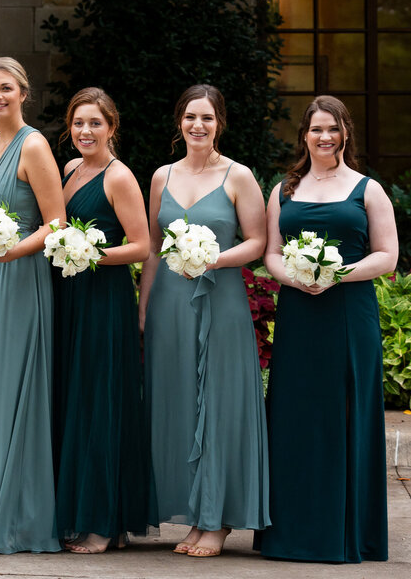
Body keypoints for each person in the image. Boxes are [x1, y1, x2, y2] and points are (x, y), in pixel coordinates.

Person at [256, 96, 397, 563]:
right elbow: (271, 253)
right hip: (299, 316)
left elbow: (387, 256)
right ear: (305, 135)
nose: (324, 137)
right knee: (296, 416)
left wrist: (336, 274)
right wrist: (295, 276)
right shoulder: (284, 191)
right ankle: (291, 533)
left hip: (348, 317)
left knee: (345, 414)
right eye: (316, 129)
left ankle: (347, 533)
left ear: (345, 134)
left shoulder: (367, 189)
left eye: (333, 129)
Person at [140, 85, 269, 558]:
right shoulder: (160, 176)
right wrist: (143, 308)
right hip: (169, 304)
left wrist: (213, 259)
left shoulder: (239, 176)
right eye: (191, 117)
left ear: (220, 124)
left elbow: (257, 242)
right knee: (177, 405)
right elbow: (153, 247)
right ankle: (194, 516)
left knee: (219, 404)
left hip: (221, 300)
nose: (198, 125)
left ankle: (218, 521)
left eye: (208, 119)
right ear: (180, 122)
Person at [0, 57, 65, 554]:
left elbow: (56, 223)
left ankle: (16, 522)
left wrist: (10, 250)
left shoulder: (35, 145)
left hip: (20, 278)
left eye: (5, 88)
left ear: (24, 92)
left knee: (13, 391)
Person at [52, 87, 154, 553]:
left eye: (95, 123)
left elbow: (140, 246)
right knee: (74, 399)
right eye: (78, 123)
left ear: (112, 127)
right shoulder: (70, 170)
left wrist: (89, 252)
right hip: (69, 297)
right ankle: (78, 512)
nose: (85, 132)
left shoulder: (120, 177)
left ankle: (102, 524)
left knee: (100, 402)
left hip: (103, 299)